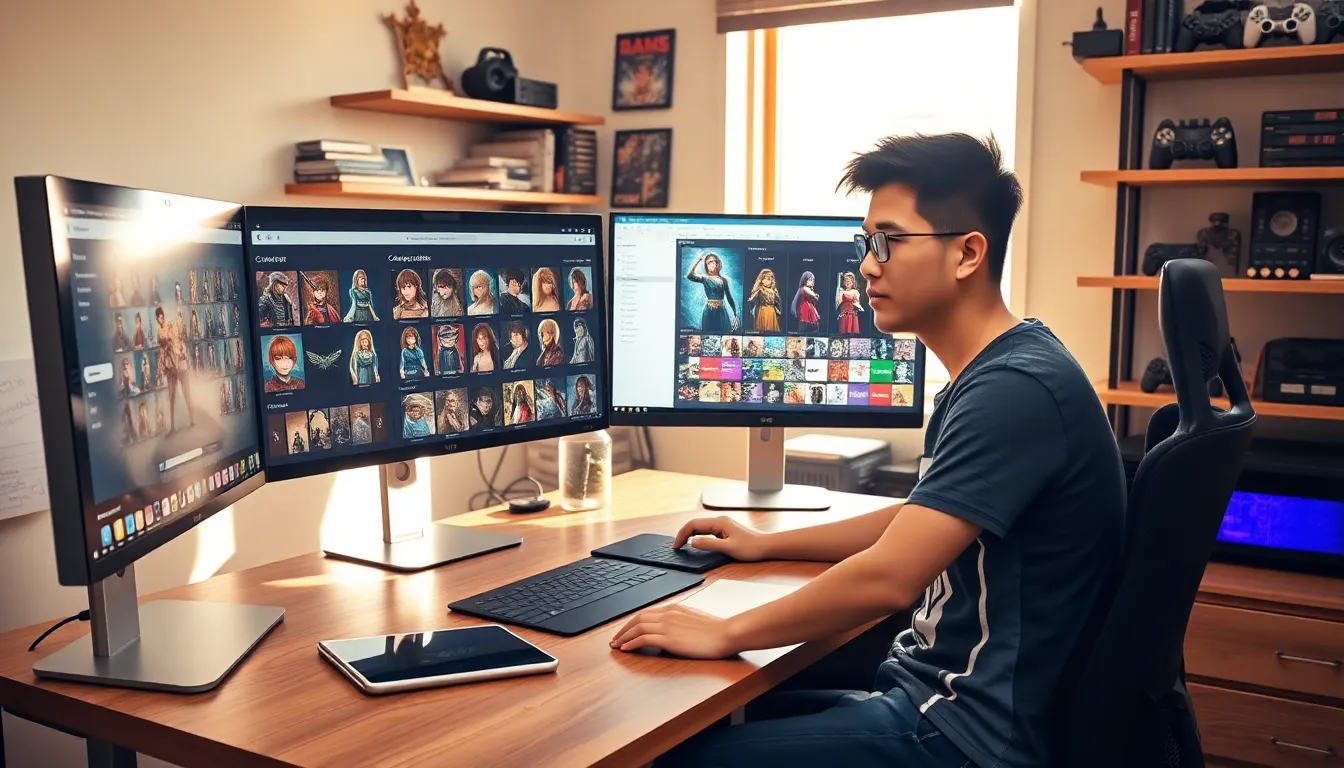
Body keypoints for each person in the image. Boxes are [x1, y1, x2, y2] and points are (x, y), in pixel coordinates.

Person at [613, 134, 1126, 768]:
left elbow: (890, 578)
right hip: (929, 696)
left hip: (966, 733)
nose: (867, 265)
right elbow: (918, 521)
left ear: (968, 253)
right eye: (866, 243)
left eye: (888, 241)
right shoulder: (1003, 368)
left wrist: (725, 632)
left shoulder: (1013, 391)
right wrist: (765, 543)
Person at [684, 252, 738, 332]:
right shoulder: (705, 278)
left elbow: (729, 297)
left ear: (718, 264)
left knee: (722, 332)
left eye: (715, 262)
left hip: (721, 311)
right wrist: (698, 260)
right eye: (710, 263)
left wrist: (735, 314)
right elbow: (689, 276)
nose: (713, 264)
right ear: (706, 266)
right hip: (708, 311)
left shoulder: (723, 280)